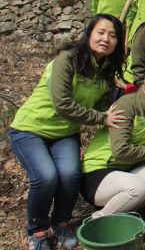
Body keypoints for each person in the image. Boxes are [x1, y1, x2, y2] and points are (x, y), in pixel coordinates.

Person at [10, 15, 126, 250]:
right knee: (45, 177)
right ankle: (37, 231)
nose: (106, 39)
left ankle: (61, 222)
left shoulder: (106, 69)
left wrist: (125, 96)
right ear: (89, 33)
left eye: (112, 35)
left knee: (71, 174)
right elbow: (62, 103)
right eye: (101, 32)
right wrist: (101, 118)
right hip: (31, 128)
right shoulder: (68, 59)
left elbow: (103, 105)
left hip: (65, 133)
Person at [80, 58, 145, 218]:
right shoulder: (128, 104)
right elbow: (120, 151)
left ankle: (122, 215)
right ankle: (97, 220)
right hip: (98, 172)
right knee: (140, 187)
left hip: (126, 172)